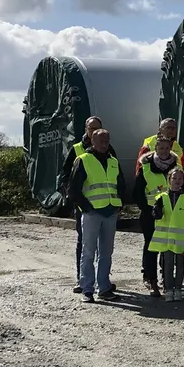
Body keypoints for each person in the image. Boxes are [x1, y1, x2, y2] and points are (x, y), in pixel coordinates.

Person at [57, 115, 114, 295]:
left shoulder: (109, 150)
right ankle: (82, 281)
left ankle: (103, 284)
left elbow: (115, 177)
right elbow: (66, 175)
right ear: (86, 130)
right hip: (86, 207)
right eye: (91, 128)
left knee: (105, 250)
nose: (93, 131)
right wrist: (78, 201)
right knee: (86, 245)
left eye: (97, 127)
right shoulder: (77, 150)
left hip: (108, 208)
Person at [68, 128, 125, 303]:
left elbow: (120, 184)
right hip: (92, 212)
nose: (104, 144)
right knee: (88, 252)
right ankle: (87, 289)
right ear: (92, 141)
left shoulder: (113, 161)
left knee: (106, 252)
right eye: (100, 141)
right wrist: (85, 207)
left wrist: (119, 204)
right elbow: (73, 189)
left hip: (110, 212)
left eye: (106, 141)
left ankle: (104, 287)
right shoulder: (83, 160)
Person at [135, 135, 179, 297]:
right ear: (155, 149)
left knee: (168, 247)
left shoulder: (176, 166)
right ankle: (151, 279)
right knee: (151, 247)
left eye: (167, 148)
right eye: (160, 148)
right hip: (150, 214)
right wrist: (148, 210)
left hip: (171, 214)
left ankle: (167, 280)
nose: (164, 151)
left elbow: (182, 188)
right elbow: (138, 193)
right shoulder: (145, 167)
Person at [151, 167, 184, 302]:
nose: (177, 181)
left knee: (180, 264)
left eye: (180, 179)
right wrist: (157, 208)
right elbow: (156, 216)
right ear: (168, 180)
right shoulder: (161, 197)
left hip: (181, 238)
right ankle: (169, 289)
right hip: (166, 238)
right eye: (174, 178)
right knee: (168, 264)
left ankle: (178, 289)